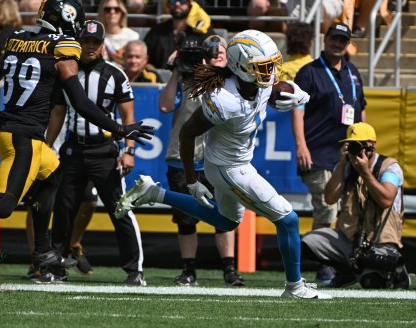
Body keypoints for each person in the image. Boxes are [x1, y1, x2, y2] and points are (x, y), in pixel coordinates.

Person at [0, 0, 154, 282]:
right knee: (5, 204)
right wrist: (119, 129)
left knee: (52, 175)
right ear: (68, 19)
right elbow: (80, 103)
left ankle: (43, 252)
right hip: (23, 137)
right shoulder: (62, 48)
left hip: (8, 130)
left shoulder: (17, 38)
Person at [117, 30, 332, 299]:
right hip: (228, 168)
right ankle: (294, 286)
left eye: (270, 65)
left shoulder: (256, 79)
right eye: (262, 67)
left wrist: (295, 92)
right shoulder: (224, 100)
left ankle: (155, 193)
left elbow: (274, 89)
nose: (269, 72)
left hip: (236, 163)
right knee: (287, 219)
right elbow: (187, 133)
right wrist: (192, 180)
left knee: (226, 221)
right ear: (242, 67)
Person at [47, 20, 146, 285]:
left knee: (120, 209)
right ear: (78, 42)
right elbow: (58, 112)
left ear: (102, 44)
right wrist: (46, 147)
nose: (90, 46)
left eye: (95, 42)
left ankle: (135, 270)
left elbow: (128, 116)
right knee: (63, 209)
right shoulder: (67, 71)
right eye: (86, 41)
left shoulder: (115, 74)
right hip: (74, 149)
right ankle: (57, 265)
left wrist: (130, 151)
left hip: (104, 151)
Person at [158, 34, 244, 287]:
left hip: (219, 159)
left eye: (222, 50)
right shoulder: (187, 80)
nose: (217, 53)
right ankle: (188, 270)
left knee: (225, 215)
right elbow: (164, 106)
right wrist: (176, 71)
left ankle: (229, 269)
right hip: (183, 160)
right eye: (211, 50)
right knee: (186, 219)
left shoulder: (235, 82)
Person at [292, 22, 367, 284]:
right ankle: (323, 265)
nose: (338, 43)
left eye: (343, 40)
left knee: (349, 211)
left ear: (348, 43)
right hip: (318, 153)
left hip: (349, 153)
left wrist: (366, 142)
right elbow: (297, 110)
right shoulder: (309, 72)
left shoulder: (353, 71)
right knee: (326, 209)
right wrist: (301, 144)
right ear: (324, 39)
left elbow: (361, 108)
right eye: (334, 38)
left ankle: (345, 264)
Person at [301, 122, 410, 289]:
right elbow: (329, 198)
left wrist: (365, 172)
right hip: (349, 237)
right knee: (308, 243)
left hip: (380, 241)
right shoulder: (346, 166)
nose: (356, 149)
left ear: (372, 145)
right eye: (351, 144)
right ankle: (346, 270)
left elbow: (386, 200)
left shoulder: (389, 167)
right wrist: (342, 164)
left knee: (372, 284)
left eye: (360, 144)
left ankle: (397, 271)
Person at [143, 0, 215, 69]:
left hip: (194, 79)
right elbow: (144, 58)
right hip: (161, 80)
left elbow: (214, 57)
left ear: (190, 4)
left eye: (183, 0)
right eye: (172, 0)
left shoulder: (202, 31)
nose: (177, 4)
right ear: (168, 5)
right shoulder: (156, 31)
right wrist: (155, 73)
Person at [96, 0, 140, 66]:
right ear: (102, 12)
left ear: (122, 12)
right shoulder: (96, 36)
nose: (112, 12)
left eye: (117, 9)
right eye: (108, 9)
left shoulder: (133, 37)